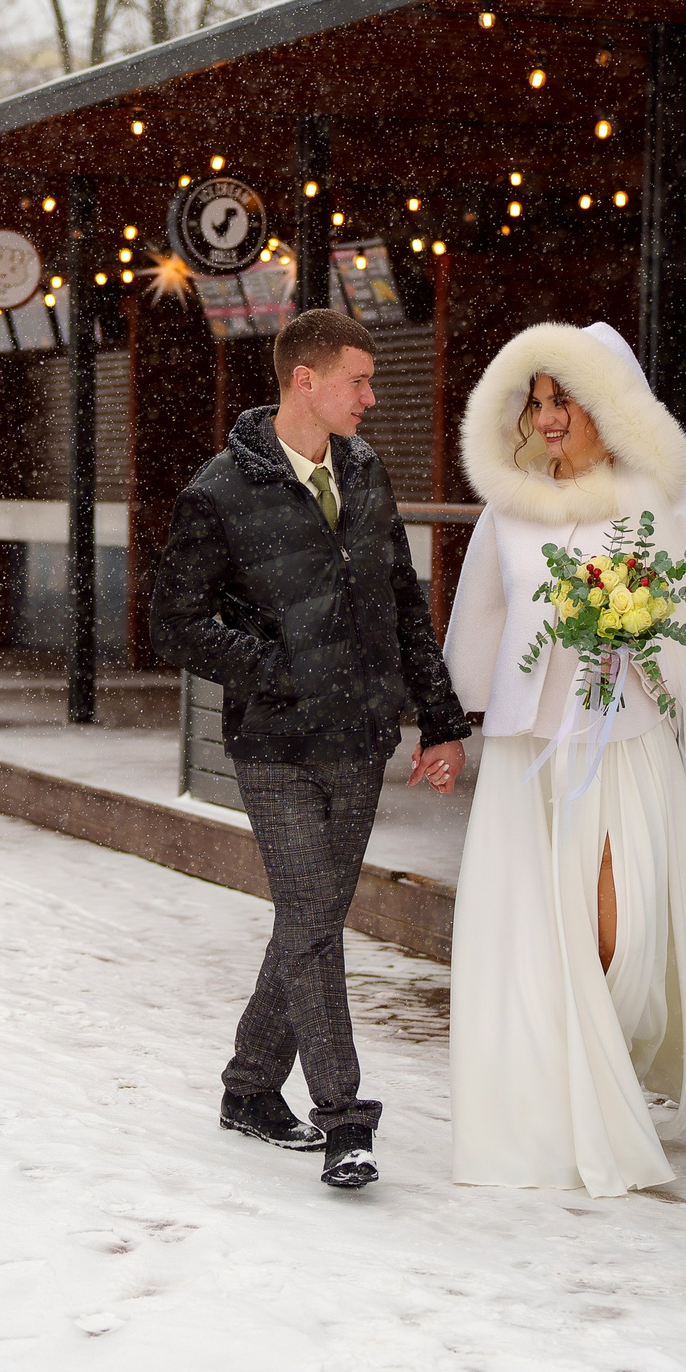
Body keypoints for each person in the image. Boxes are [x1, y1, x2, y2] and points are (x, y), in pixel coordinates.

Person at [441, 321, 686, 1196]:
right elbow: (477, 622)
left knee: (620, 931)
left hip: (625, 744)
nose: (548, 419)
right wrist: (448, 724)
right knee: (537, 932)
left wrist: (634, 637)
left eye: (567, 400)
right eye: (539, 401)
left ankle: (611, 1056)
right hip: (532, 755)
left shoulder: (654, 501)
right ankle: (560, 1090)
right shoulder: (508, 508)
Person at [151, 307, 471, 1191]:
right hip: (276, 744)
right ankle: (345, 1122)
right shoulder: (219, 490)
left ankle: (251, 1087)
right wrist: (269, 666)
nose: (371, 398)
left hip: (359, 739)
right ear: (306, 379)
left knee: (309, 921)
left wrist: (440, 718)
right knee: (314, 922)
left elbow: (404, 599)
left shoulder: (366, 471)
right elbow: (173, 618)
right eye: (359, 381)